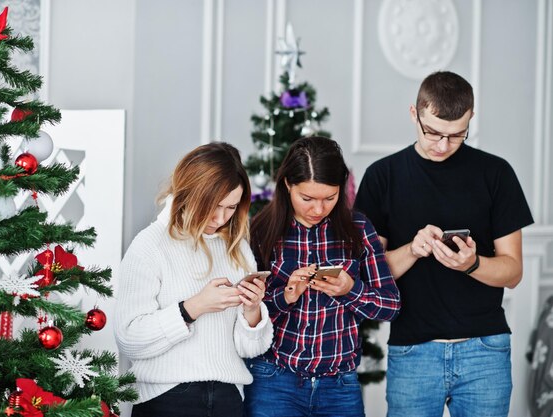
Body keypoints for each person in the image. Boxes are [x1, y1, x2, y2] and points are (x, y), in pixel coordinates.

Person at [354, 71, 534, 417]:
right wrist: (413, 249)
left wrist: (473, 264)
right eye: (432, 132)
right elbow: (368, 274)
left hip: (486, 352)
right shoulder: (382, 176)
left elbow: (513, 272)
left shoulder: (496, 174)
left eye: (456, 136)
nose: (442, 145)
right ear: (414, 114)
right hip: (412, 352)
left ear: (470, 119)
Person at [244, 136, 401, 417]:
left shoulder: (359, 229)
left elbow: (390, 306)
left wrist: (351, 290)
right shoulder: (261, 231)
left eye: (330, 198)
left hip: (340, 386)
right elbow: (244, 317)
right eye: (307, 199)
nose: (318, 209)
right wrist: (286, 296)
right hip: (274, 382)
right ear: (288, 185)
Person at [114, 142, 274, 417]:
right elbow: (129, 338)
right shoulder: (151, 245)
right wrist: (193, 307)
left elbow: (251, 349)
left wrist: (251, 311)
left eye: (231, 207)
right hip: (167, 399)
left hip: (227, 400)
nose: (222, 218)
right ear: (191, 194)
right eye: (214, 206)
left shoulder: (236, 248)